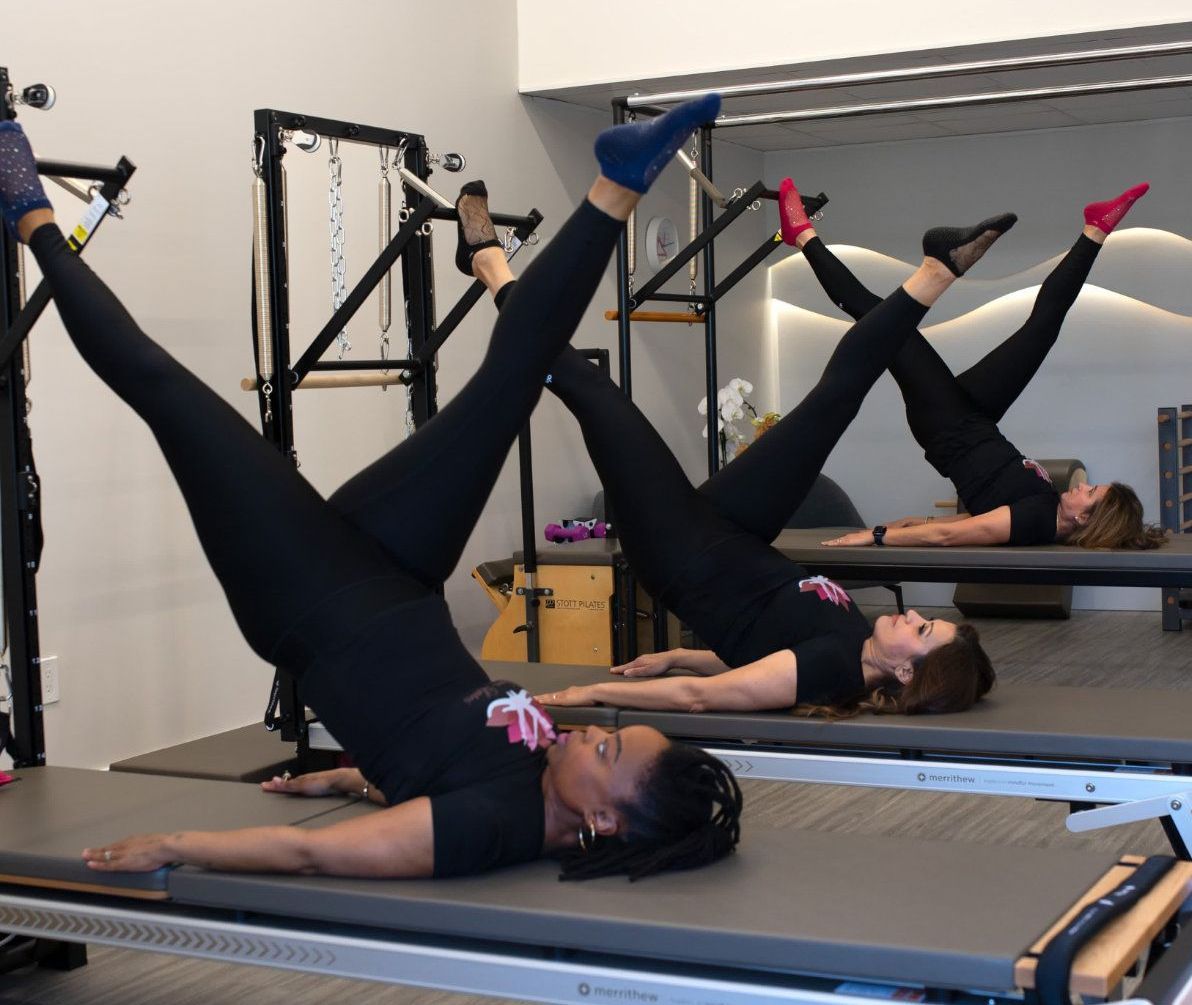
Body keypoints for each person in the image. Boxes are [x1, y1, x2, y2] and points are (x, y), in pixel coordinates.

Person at [0, 98, 743, 883]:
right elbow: (433, 744)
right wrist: (358, 777)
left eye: (607, 750)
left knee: (165, 389)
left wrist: (177, 844)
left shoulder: (494, 825)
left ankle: (31, 217)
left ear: (601, 821)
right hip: (402, 576)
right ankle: (617, 183)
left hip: (309, 603)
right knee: (511, 383)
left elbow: (311, 850)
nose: (591, 733)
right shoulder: (538, 776)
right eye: (610, 734)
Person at [459, 179, 1006, 718]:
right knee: (832, 404)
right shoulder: (857, 642)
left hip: (680, 554)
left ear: (907, 672)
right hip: (735, 533)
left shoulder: (834, 669)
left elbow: (706, 697)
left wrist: (595, 694)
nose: (914, 616)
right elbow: (761, 657)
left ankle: (489, 264)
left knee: (592, 393)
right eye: (925, 619)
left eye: (923, 630)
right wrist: (682, 656)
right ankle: (935, 272)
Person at [785, 180, 1166, 550]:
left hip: (946, 426)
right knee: (1043, 327)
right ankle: (1095, 230)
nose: (1083, 486)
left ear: (1085, 519)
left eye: (1091, 493)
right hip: (978, 420)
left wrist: (878, 535)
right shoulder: (1047, 509)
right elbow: (974, 519)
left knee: (879, 316)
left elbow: (953, 537)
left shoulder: (1036, 522)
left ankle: (803, 235)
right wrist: (920, 522)